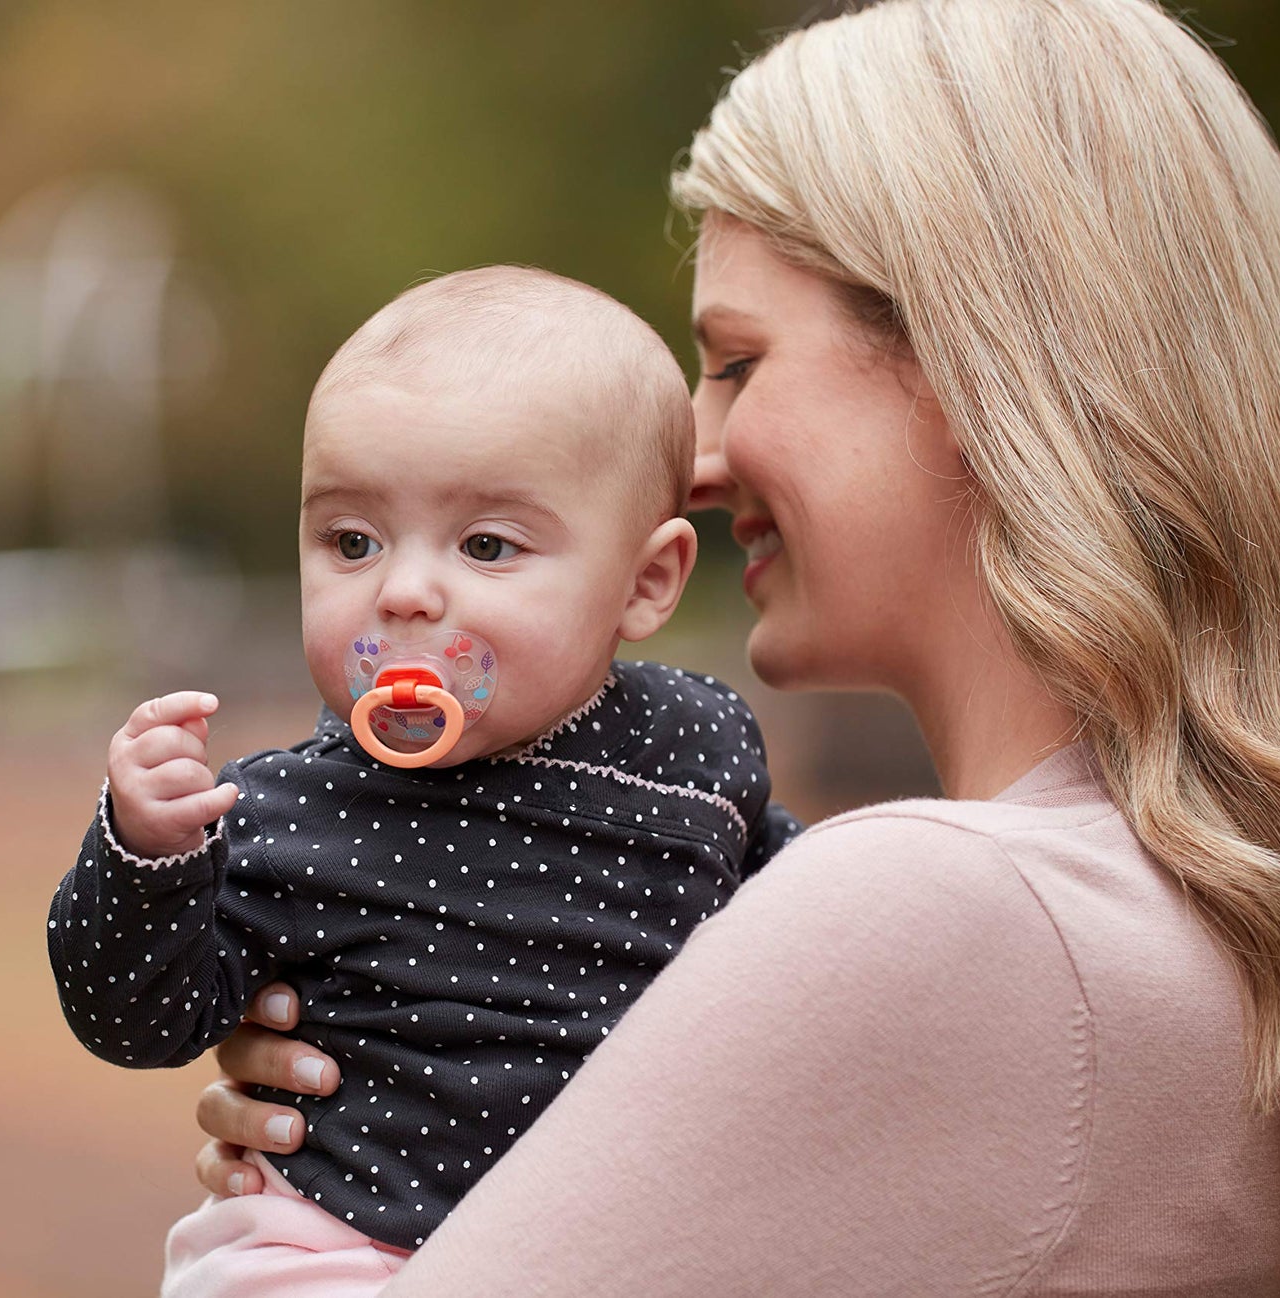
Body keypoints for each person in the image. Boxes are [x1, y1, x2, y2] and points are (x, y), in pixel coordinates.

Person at [188, 1, 1280, 1293]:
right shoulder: (1213, 912)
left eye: (739, 364)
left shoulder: (953, 911)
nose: (693, 458)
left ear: (974, 361)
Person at [47, 265, 803, 1292]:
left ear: (644, 580)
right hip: (339, 1243)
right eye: (351, 540)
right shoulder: (277, 813)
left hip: (625, 1246)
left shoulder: (697, 752)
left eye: (485, 544)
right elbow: (134, 1018)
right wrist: (145, 851)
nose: (401, 591)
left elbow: (798, 931)